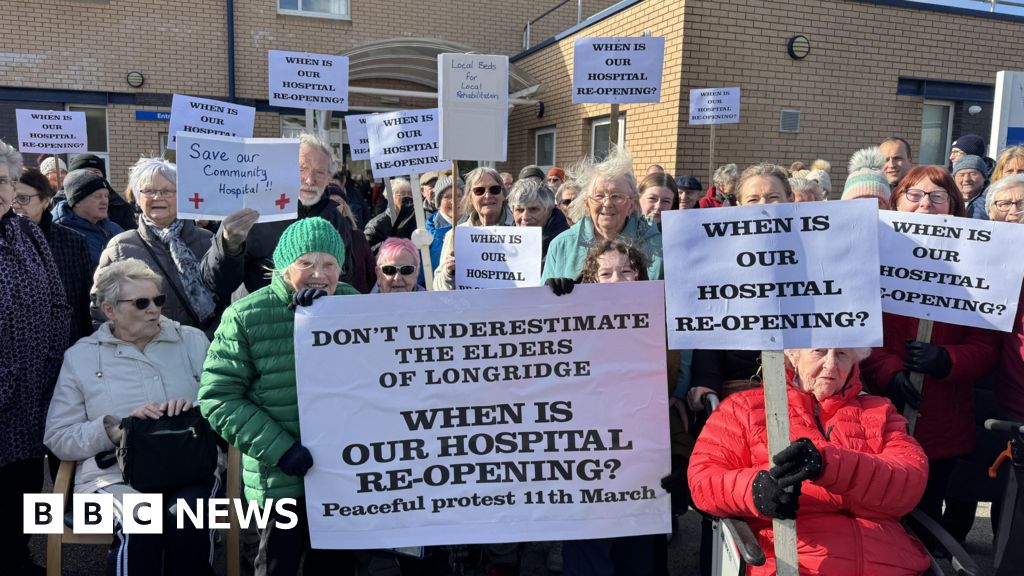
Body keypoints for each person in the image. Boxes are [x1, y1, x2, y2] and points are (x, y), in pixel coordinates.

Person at [200, 217, 369, 576]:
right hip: (281, 479)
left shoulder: (352, 304)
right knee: (280, 567)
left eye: (329, 264)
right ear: (283, 266)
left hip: (340, 476)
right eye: (306, 263)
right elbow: (218, 398)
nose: (319, 274)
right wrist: (281, 450)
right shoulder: (246, 315)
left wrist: (325, 319)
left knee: (335, 569)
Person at [688, 347, 931, 575]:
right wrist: (755, 490)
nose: (830, 364)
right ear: (793, 355)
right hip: (791, 559)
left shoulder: (880, 411)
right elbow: (703, 480)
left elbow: (910, 481)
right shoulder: (743, 408)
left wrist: (828, 464)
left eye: (842, 354)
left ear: (855, 361)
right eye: (820, 352)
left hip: (890, 560)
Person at [45, 258, 217, 576]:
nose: (154, 310)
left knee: (189, 518)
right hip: (112, 477)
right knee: (141, 520)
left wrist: (189, 413)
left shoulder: (192, 341)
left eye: (158, 300)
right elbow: (58, 437)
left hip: (189, 468)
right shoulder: (81, 356)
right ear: (109, 310)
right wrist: (113, 430)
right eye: (141, 303)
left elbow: (222, 406)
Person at [860, 164, 1000, 540]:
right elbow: (857, 329)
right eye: (915, 195)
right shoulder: (870, 256)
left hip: (942, 421)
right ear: (897, 202)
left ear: (954, 206)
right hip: (880, 413)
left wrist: (947, 359)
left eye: (938, 196)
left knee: (925, 520)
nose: (926, 204)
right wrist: (888, 370)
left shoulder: (978, 264)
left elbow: (985, 346)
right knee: (877, 518)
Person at [546, 238, 692, 576]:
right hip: (584, 464)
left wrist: (680, 457)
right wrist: (554, 302)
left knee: (637, 559)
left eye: (627, 272)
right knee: (587, 558)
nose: (617, 280)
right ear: (590, 279)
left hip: (641, 461)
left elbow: (666, 398)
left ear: (641, 276)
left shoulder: (660, 323)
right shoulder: (570, 320)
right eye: (605, 273)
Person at [0, 139, 70, 576]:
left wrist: (49, 366)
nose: (1, 190)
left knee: (23, 486)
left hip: (28, 395)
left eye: (4, 181)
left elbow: (58, 303)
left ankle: (17, 558)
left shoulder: (26, 233)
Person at [96, 157, 253, 335]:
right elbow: (101, 304)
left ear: (182, 197)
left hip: (208, 340)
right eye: (149, 190)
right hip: (147, 342)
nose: (157, 197)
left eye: (167, 191)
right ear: (138, 198)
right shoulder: (120, 246)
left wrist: (229, 246)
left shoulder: (207, 239)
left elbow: (228, 289)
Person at [243, 133, 370, 293]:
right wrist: (228, 246)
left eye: (319, 172)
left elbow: (344, 276)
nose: (310, 180)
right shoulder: (259, 215)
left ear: (329, 178)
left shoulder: (337, 221)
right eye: (301, 169)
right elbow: (222, 283)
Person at [543, 147, 663, 282]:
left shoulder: (658, 248)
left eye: (617, 196)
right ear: (587, 203)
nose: (607, 203)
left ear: (632, 205)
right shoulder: (562, 245)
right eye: (599, 196)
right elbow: (542, 295)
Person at [12, 168, 93, 345]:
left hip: (67, 341)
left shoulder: (73, 242)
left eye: (23, 198)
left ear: (45, 200)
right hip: (15, 344)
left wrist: (87, 343)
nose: (15, 205)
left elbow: (86, 300)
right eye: (11, 198)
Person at [433, 167, 515, 290]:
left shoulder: (520, 229)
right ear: (470, 198)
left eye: (494, 189)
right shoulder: (456, 235)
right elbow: (438, 288)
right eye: (479, 191)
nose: (487, 195)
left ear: (503, 194)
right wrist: (449, 272)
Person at [52, 169, 124, 265]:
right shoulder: (61, 235)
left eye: (106, 196)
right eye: (97, 196)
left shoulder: (115, 229)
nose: (105, 201)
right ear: (77, 202)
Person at [69, 153, 137, 230]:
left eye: (96, 172)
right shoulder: (62, 207)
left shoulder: (120, 207)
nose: (91, 176)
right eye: (85, 172)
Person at [508, 177, 569, 260]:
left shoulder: (566, 244)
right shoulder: (505, 242)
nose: (525, 217)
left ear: (549, 211)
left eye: (533, 209)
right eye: (519, 210)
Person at [364, 177, 417, 253]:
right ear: (390, 197)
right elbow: (367, 250)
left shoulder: (416, 219)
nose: (407, 197)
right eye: (402, 194)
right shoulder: (376, 224)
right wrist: (391, 243)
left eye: (410, 194)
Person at [425, 174, 463, 280]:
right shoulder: (428, 231)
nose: (454, 200)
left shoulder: (476, 226)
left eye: (459, 195)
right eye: (448, 196)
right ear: (438, 201)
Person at [952, 155, 990, 220]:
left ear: (984, 177)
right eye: (961, 175)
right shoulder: (946, 200)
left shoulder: (991, 200)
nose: (966, 179)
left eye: (973, 174)